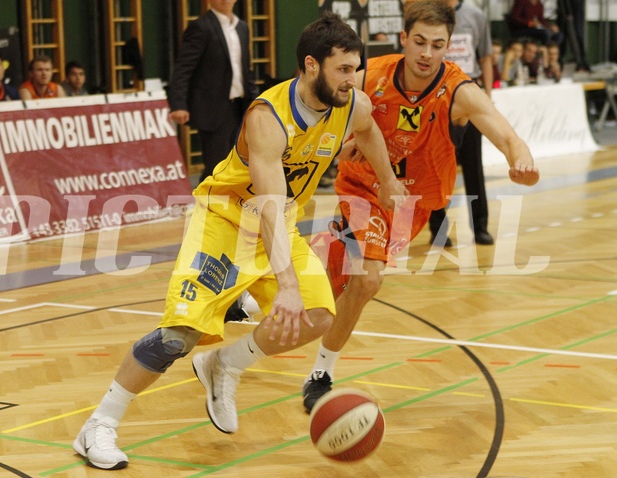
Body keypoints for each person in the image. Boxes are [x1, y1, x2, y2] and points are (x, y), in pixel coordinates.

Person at [73, 11, 407, 470]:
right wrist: (285, 284)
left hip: (279, 221)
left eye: (356, 68)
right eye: (343, 69)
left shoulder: (353, 104)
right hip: (227, 219)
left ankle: (226, 364)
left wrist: (388, 182)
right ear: (312, 65)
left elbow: (368, 133)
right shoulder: (268, 118)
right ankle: (98, 426)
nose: (353, 79)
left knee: (317, 316)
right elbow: (267, 206)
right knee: (178, 336)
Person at [301, 0, 540, 413]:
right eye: (419, 42)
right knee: (366, 281)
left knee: (338, 276)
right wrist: (345, 138)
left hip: (413, 205)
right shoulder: (370, 75)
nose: (427, 53)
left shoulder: (459, 91)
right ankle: (321, 373)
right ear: (403, 40)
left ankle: (254, 300)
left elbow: (506, 134)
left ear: (449, 46)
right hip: (363, 187)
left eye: (437, 44)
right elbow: (318, 101)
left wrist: (521, 159)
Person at [428, 0, 495, 247]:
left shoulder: (475, 15)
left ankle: (480, 227)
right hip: (438, 98)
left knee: (473, 166)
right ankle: (437, 229)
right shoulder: (429, 14)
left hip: (469, 98)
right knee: (436, 168)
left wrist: (487, 96)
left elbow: (486, 57)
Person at [167, 0, 259, 182]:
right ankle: (206, 205)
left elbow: (245, 69)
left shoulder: (242, 28)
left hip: (240, 106)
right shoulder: (201, 28)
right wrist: (178, 104)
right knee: (217, 166)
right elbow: (183, 69)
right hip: (213, 108)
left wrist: (256, 102)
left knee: (239, 164)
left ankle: (225, 206)